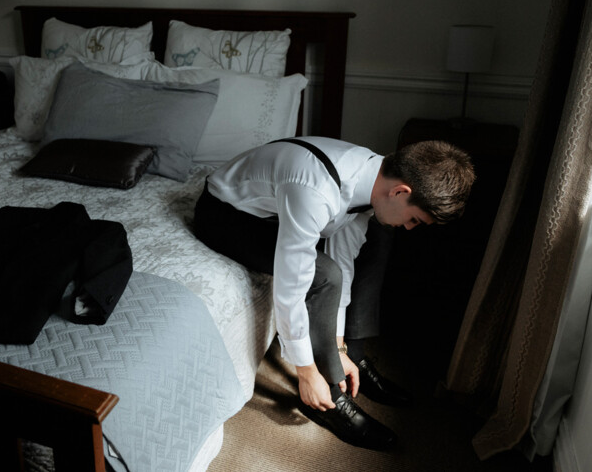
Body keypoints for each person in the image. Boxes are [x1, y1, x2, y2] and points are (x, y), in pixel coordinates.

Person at [193, 136, 474, 451]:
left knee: (378, 237)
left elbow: (345, 257)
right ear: (401, 191)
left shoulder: (376, 178)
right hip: (224, 213)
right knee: (324, 276)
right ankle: (329, 396)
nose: (410, 228)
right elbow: (291, 286)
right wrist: (306, 370)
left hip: (280, 208)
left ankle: (352, 357)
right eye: (414, 219)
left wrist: (339, 348)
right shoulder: (315, 190)